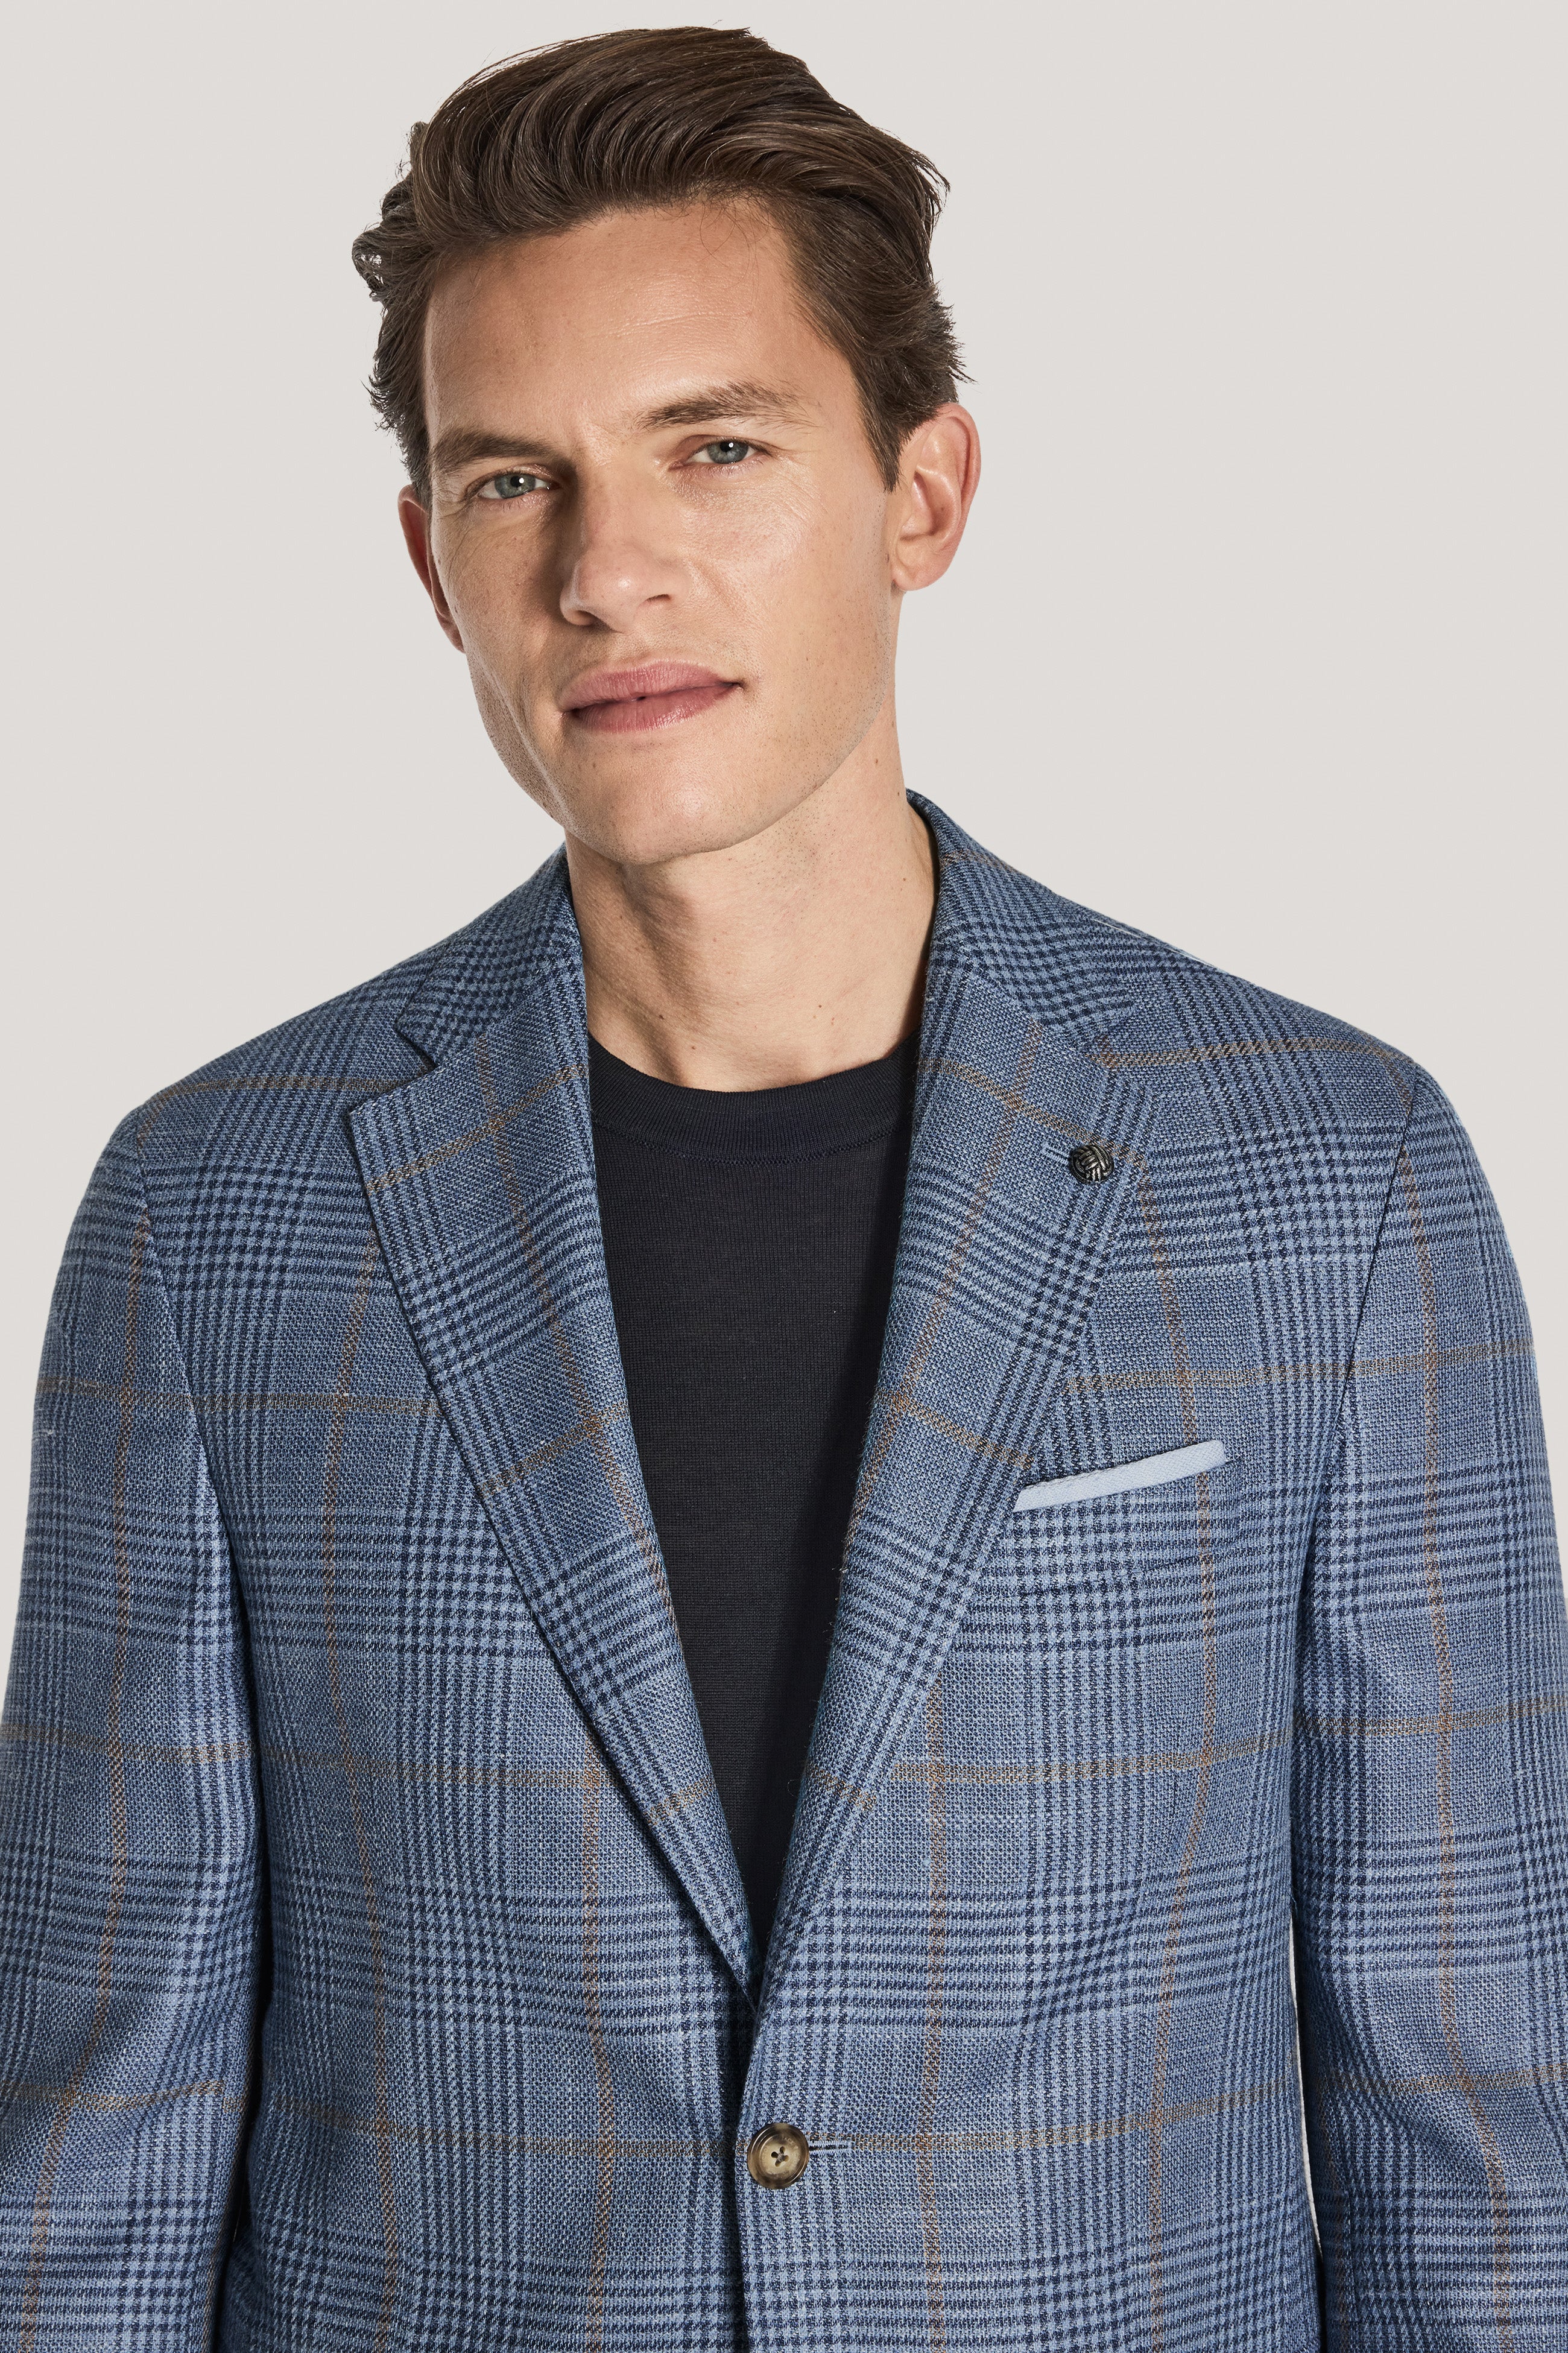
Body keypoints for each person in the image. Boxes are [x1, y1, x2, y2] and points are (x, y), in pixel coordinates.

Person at [1, 24, 1564, 2349]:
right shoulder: (214, 1217)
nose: (609, 571)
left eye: (713, 449)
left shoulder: (1331, 1185)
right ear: (432, 561)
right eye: (514, 481)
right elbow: (93, 2161)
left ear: (922, 493)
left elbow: (1482, 2158)